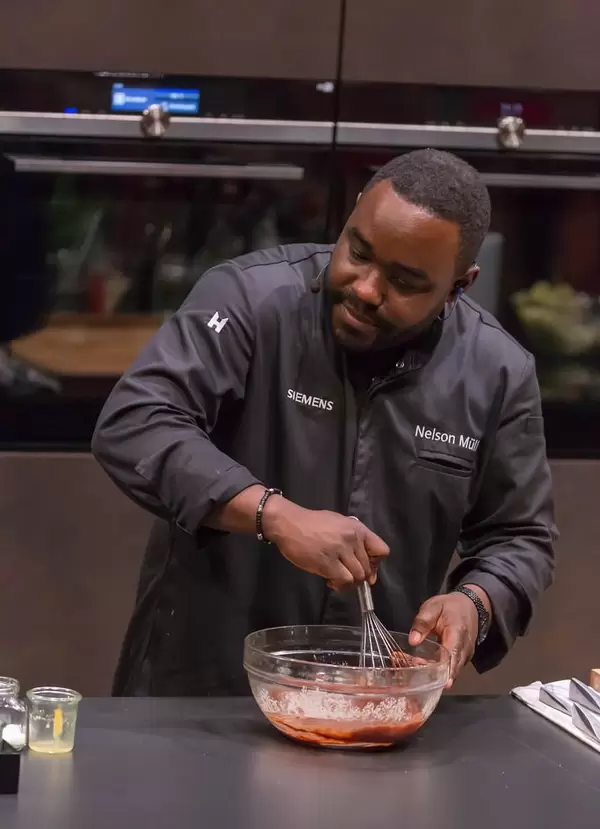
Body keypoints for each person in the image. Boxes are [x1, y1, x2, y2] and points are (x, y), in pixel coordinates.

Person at [92, 148, 558, 697]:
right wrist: (274, 514)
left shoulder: (496, 372)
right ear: (353, 212)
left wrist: (476, 604)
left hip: (369, 700)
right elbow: (136, 421)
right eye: (358, 251)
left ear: (460, 285)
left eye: (405, 282)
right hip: (198, 689)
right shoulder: (252, 300)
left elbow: (520, 537)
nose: (364, 288)